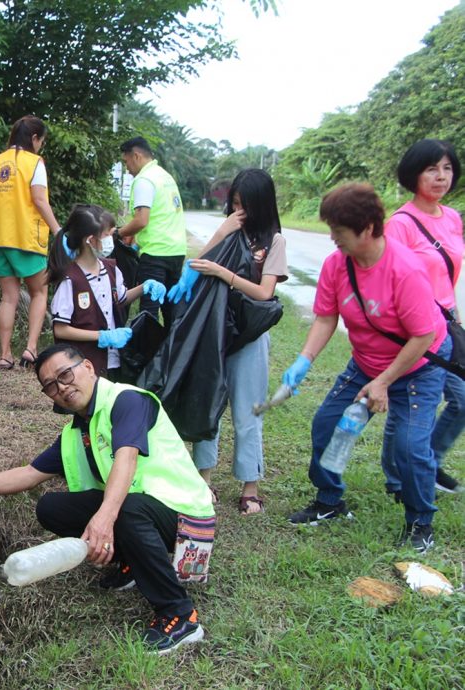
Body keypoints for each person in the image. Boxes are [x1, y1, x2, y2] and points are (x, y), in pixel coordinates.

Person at [0, 343, 215, 655]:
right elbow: (29, 472)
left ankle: (180, 616)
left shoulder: (127, 401)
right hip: (141, 509)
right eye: (51, 386)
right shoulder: (76, 430)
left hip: (185, 517)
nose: (62, 388)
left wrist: (104, 518)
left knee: (124, 508)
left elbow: (127, 459)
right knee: (51, 508)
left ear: (88, 368)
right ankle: (133, 564)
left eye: (65, 375)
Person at [281, 183, 448, 553]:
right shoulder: (337, 264)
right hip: (366, 363)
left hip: (417, 368)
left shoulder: (405, 270)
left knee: (410, 446)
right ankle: (330, 501)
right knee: (326, 424)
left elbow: (423, 336)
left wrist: (384, 382)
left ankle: (421, 522)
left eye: (339, 232)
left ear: (368, 229)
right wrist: (303, 361)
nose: (332, 239)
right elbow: (326, 318)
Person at [170, 169, 288, 515]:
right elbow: (196, 264)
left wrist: (224, 274)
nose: (239, 212)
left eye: (245, 206)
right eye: (234, 205)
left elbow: (265, 293)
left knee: (247, 411)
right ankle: (202, 479)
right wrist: (222, 232)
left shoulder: (274, 241)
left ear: (262, 205)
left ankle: (249, 486)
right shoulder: (229, 232)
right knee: (209, 403)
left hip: (250, 337)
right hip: (216, 332)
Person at [380, 139, 464, 496]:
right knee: (408, 405)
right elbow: (388, 278)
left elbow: (448, 275)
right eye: (432, 169)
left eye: (446, 168)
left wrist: (455, 319)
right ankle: (398, 479)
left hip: (447, 324)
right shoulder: (400, 224)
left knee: (461, 399)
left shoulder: (453, 217)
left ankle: (427, 460)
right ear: (414, 174)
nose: (440, 176)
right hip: (415, 329)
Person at [0, 115, 62, 371]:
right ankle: (31, 348)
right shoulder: (35, 163)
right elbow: (39, 199)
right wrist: (58, 230)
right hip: (27, 239)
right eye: (41, 141)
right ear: (34, 138)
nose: (40, 146)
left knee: (9, 297)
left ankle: (4, 355)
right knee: (39, 292)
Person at [48, 204, 165, 378]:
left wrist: (145, 287)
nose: (112, 240)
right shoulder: (70, 280)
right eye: (108, 236)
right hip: (83, 366)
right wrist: (102, 336)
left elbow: (121, 298)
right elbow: (61, 329)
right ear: (90, 240)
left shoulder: (111, 269)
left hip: (113, 361)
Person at [116, 137, 187, 326]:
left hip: (155, 254)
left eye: (126, 161)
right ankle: (174, 350)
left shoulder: (144, 180)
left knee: (149, 310)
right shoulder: (164, 176)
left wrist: (117, 233)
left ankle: (147, 353)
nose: (127, 167)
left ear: (136, 156)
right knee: (172, 309)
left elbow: (141, 220)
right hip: (177, 251)